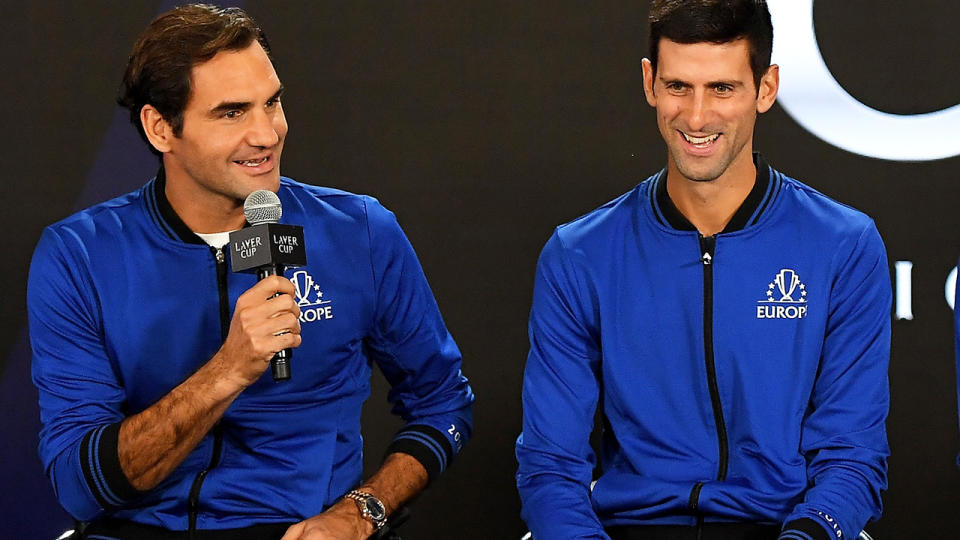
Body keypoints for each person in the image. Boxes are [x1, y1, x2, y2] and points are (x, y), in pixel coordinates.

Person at [28, 4, 473, 539]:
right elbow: (79, 485)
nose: (267, 135)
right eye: (232, 112)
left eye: (273, 102)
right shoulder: (80, 254)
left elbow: (444, 402)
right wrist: (229, 370)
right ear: (161, 128)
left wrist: (362, 513)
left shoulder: (361, 231)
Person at [515, 1, 890, 539]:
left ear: (765, 88)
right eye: (678, 87)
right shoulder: (579, 254)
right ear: (649, 82)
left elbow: (852, 457)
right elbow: (551, 465)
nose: (695, 118)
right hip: (629, 527)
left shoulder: (843, 245)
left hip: (786, 528)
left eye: (722, 88)